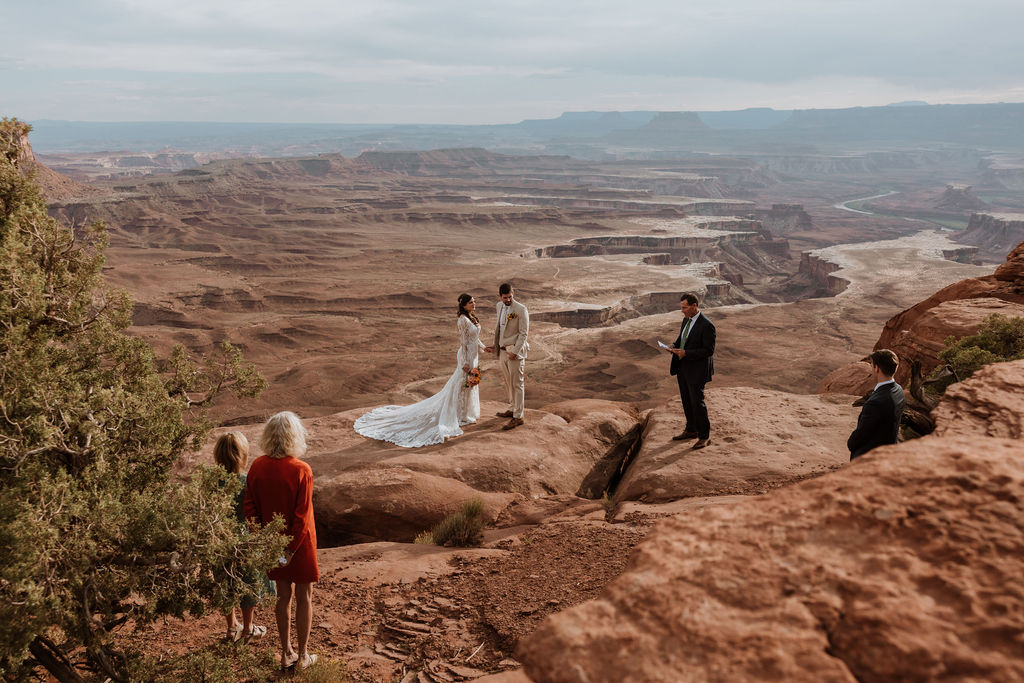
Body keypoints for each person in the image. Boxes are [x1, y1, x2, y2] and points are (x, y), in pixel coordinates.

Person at [354, 293, 486, 447]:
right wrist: (464, 362)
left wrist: (484, 348)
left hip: (474, 355)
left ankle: (465, 413)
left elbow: (474, 338)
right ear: (463, 305)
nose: (474, 304)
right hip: (466, 356)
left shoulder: (471, 317)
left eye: (474, 301)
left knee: (469, 384)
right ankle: (458, 414)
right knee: (462, 383)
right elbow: (463, 343)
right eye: (471, 302)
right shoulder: (462, 320)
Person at [244, 412, 319, 671]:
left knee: (282, 596)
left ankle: (287, 652)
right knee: (304, 597)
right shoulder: (302, 470)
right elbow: (301, 517)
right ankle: (304, 655)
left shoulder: (257, 466)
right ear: (294, 436)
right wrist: (290, 550)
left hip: (272, 544)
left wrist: (264, 543)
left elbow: (250, 508)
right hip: (301, 545)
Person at [213, 432, 271, 643]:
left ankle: (231, 627)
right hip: (245, 539)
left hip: (218, 539)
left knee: (224, 581)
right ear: (242, 455)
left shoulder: (212, 483)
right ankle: (248, 628)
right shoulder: (247, 482)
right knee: (249, 583)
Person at [665, 292, 716, 449]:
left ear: (694, 306)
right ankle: (691, 429)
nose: (682, 310)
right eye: (681, 307)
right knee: (686, 400)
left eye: (685, 307)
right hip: (683, 367)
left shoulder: (707, 325)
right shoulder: (685, 320)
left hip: (697, 370)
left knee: (697, 402)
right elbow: (682, 339)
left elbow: (708, 350)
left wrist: (687, 353)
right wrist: (674, 346)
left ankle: (704, 436)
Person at [485, 283, 530, 430]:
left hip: (515, 353)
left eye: (510, 297)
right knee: (508, 382)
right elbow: (499, 328)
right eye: (505, 298)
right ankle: (512, 408)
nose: (508, 300)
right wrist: (496, 346)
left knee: (517, 384)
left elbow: (524, 333)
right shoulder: (499, 306)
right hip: (503, 351)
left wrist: (515, 351)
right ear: (500, 297)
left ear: (513, 294)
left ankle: (518, 416)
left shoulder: (521, 309)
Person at [848, 349, 906, 459]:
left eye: (872, 366)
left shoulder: (875, 403)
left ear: (877, 368)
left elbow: (860, 435)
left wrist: (850, 443)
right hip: (887, 453)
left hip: (869, 458)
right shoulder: (899, 391)